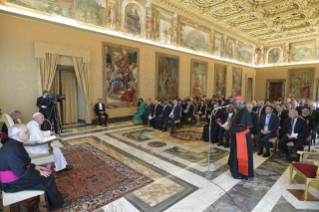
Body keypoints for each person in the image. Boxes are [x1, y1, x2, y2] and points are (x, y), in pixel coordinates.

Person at [0, 124, 72, 210]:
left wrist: (35, 167)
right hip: (11, 183)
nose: (30, 133)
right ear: (18, 135)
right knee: (48, 177)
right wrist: (38, 173)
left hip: (15, 176)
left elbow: (22, 163)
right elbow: (20, 172)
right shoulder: (13, 149)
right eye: (27, 132)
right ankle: (57, 203)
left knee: (46, 171)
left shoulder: (14, 144)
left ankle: (55, 195)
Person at [223, 96, 254, 180]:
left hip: (242, 137)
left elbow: (243, 127)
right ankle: (235, 171)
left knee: (240, 155)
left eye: (235, 104)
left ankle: (240, 173)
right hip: (237, 136)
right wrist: (230, 126)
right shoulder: (239, 110)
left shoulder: (244, 112)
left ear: (240, 103)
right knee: (235, 153)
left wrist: (230, 128)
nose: (234, 105)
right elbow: (236, 123)